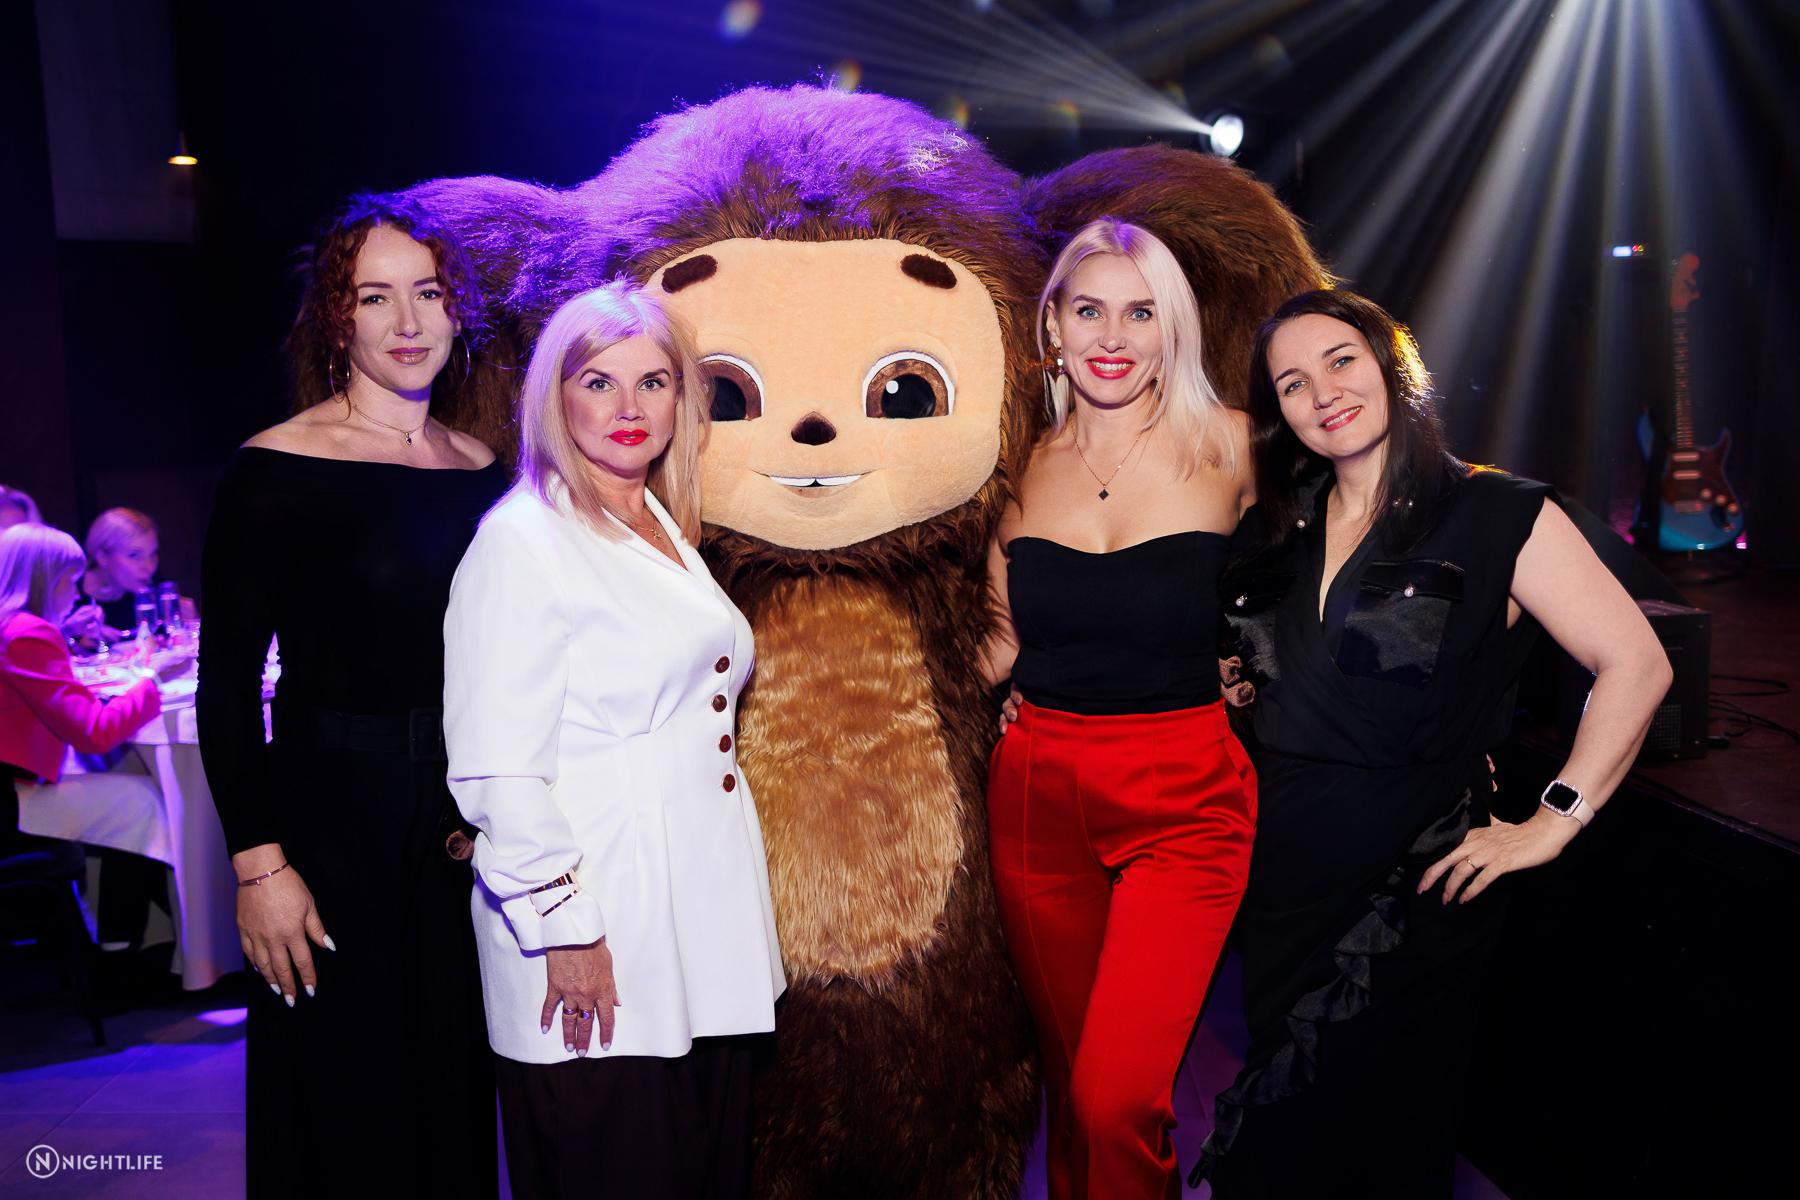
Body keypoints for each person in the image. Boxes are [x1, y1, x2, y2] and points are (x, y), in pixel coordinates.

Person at [1195, 289, 1672, 1198]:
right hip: (1285, 885)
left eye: (1341, 360)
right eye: (1292, 384)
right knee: (1282, 1148)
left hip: (1417, 890)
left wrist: (1555, 818)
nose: (1323, 393)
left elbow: (1637, 663)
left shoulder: (1494, 512)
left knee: (1383, 1146)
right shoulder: (1279, 534)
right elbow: (1266, 679)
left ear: (1390, 362)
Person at [195, 193, 506, 1198]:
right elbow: (225, 687)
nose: (407, 322)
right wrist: (258, 866)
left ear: (458, 312)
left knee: (452, 1088)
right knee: (345, 1101)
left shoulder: (483, 472)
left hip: (462, 821)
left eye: (429, 293)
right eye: (375, 297)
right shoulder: (276, 470)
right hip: (329, 827)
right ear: (338, 319)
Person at [443, 282, 783, 1200]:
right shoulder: (522, 542)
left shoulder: (658, 521)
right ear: (555, 398)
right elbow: (497, 770)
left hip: (695, 928)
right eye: (599, 382)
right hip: (601, 929)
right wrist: (566, 930)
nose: (629, 407)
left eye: (653, 382)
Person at [978, 217, 1258, 1200]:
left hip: (1188, 796)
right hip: (1036, 795)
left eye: (1141, 314)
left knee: (1116, 1099)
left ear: (1171, 329)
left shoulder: (1233, 446)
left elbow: (1341, 558)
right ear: (1052, 324)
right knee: (1070, 1090)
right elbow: (997, 644)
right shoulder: (1011, 468)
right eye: (1090, 310)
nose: (1112, 337)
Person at [0, 524, 190, 951]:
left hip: (15, 780)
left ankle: (131, 940)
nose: (74, 591)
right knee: (145, 801)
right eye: (69, 579)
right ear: (45, 580)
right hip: (12, 800)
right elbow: (95, 733)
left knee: (133, 796)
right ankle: (124, 948)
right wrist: (154, 680)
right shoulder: (28, 633)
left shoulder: (10, 626)